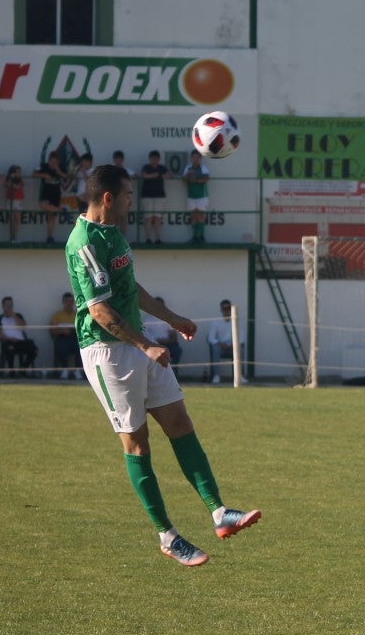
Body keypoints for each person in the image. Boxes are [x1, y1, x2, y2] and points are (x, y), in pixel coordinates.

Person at [66, 163, 260, 566]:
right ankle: (168, 536)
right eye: (128, 196)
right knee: (138, 443)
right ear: (108, 198)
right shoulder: (83, 241)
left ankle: (220, 513)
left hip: (137, 344)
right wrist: (146, 346)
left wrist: (171, 319)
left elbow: (128, 289)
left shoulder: (113, 233)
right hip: (106, 351)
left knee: (180, 423)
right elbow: (99, 310)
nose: (132, 202)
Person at [0, 296, 38, 377]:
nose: (10, 307)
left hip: (21, 342)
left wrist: (13, 315)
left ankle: (22, 369)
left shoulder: (18, 316)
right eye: (8, 306)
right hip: (8, 341)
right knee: (9, 348)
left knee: (34, 349)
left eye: (11, 305)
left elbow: (23, 326)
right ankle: (12, 372)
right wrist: (9, 338)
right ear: (3, 307)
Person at [206, 299, 247, 384]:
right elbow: (211, 338)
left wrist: (234, 344)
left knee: (241, 349)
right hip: (221, 347)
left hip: (233, 347)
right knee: (215, 349)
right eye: (224, 308)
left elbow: (242, 338)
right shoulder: (215, 322)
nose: (226, 310)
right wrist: (220, 343)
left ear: (231, 309)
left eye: (228, 308)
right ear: (221, 310)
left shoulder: (238, 322)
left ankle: (239, 376)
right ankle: (216, 376)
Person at [34, 152, 68, 244]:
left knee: (51, 216)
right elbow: (34, 174)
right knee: (43, 205)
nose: (52, 163)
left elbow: (67, 177)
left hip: (55, 195)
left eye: (55, 162)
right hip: (45, 193)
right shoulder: (43, 166)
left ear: (58, 162)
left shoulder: (61, 168)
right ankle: (61, 210)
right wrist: (44, 175)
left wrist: (58, 171)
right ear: (48, 160)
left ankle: (49, 237)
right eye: (51, 161)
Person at [142, 297, 185, 367]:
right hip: (153, 345)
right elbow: (144, 336)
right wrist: (158, 341)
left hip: (168, 344)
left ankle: (174, 374)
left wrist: (168, 341)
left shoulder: (168, 319)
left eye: (160, 305)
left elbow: (173, 336)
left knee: (177, 351)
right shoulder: (147, 319)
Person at [138, 149, 169, 245]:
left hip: (159, 196)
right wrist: (154, 175)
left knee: (157, 218)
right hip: (146, 195)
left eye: (155, 159)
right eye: (152, 159)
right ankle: (147, 239)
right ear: (149, 159)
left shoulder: (162, 167)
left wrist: (159, 175)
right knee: (148, 218)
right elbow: (143, 175)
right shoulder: (146, 167)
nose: (154, 160)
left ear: (158, 159)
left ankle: (158, 239)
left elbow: (168, 175)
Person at [182, 149, 211, 244]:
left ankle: (201, 236)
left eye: (197, 157)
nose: (195, 159)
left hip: (202, 196)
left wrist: (196, 180)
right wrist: (187, 176)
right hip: (191, 195)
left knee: (201, 216)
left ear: (200, 158)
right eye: (194, 157)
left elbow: (206, 178)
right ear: (191, 158)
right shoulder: (188, 168)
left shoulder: (203, 168)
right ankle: (194, 236)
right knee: (193, 216)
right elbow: (184, 180)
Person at [49, 292, 80, 379]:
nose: (69, 303)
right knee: (61, 347)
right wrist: (62, 330)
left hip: (75, 337)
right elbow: (51, 330)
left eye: (71, 301)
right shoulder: (57, 315)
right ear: (63, 302)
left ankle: (78, 371)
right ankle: (65, 369)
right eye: (66, 301)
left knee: (81, 347)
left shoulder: (77, 315)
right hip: (62, 337)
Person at [3, 164, 25, 244]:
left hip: (18, 201)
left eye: (20, 172)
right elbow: (7, 185)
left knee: (17, 220)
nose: (19, 174)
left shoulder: (20, 180)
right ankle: (11, 237)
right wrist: (11, 178)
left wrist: (15, 182)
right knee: (12, 220)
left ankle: (15, 237)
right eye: (17, 172)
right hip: (11, 200)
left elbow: (19, 186)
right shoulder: (9, 180)